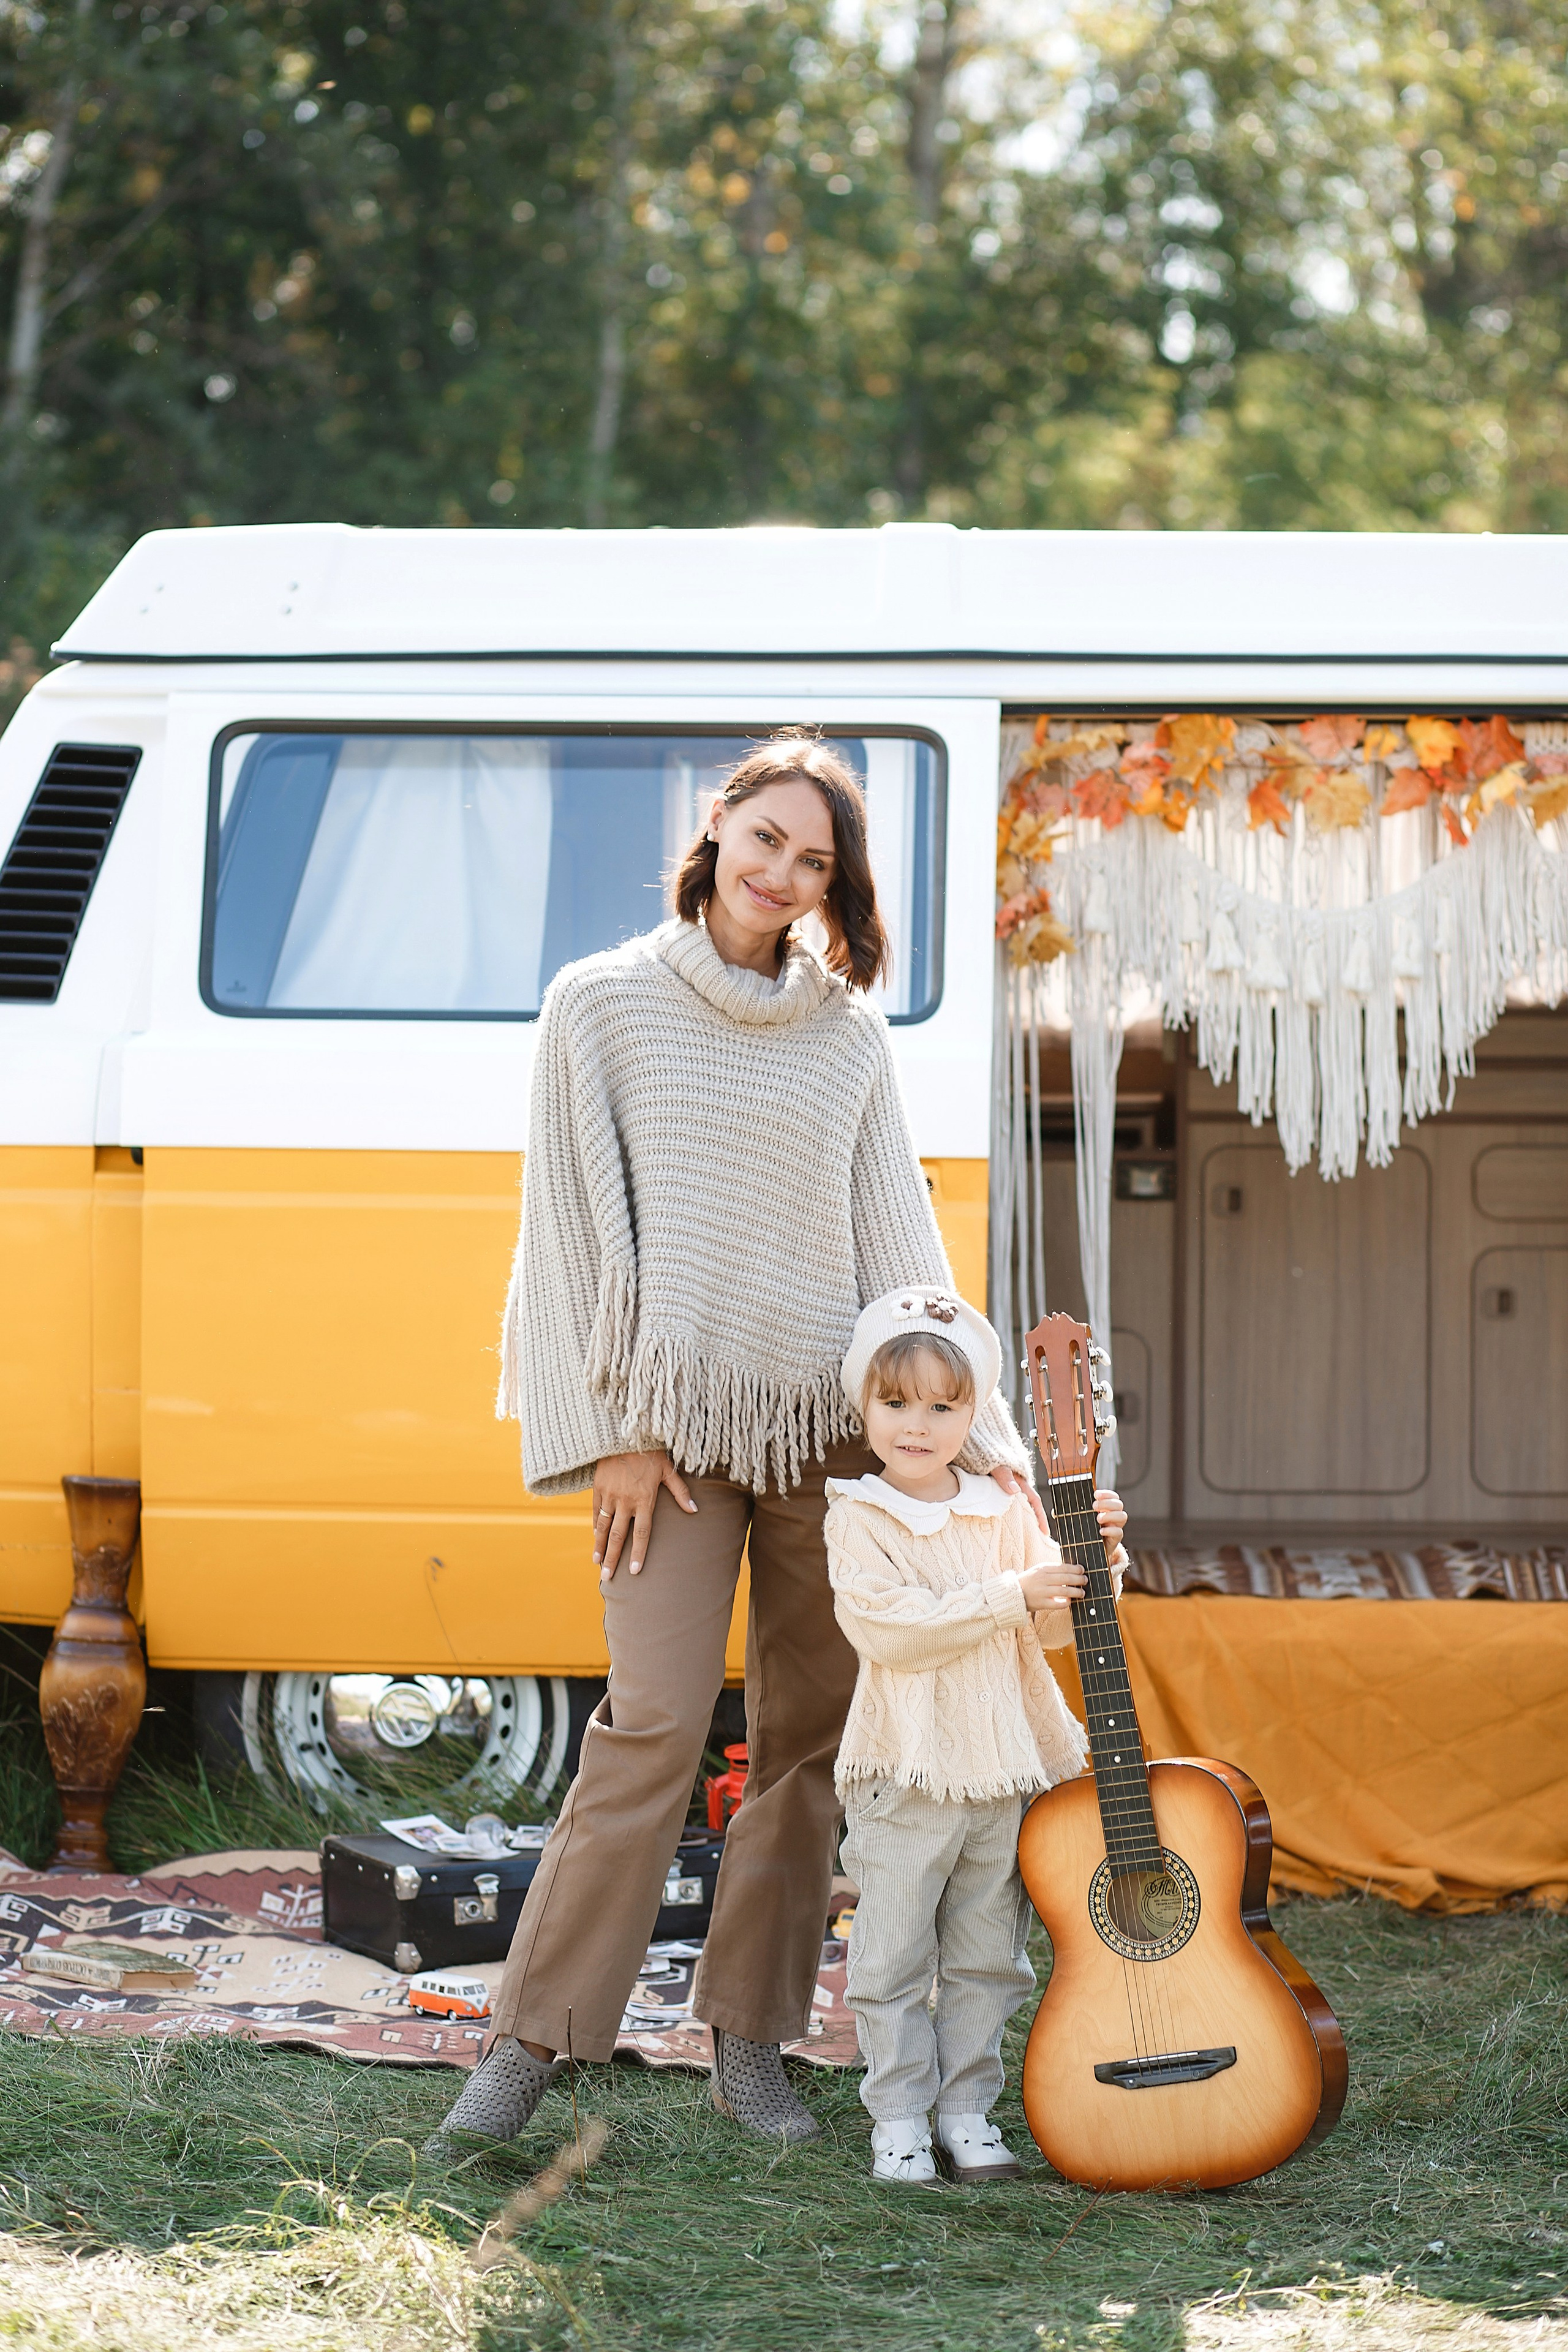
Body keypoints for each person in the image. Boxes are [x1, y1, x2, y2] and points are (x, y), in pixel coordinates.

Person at [427, 729, 1039, 2156]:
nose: (782, 874)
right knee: (648, 1725)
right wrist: (616, 1434)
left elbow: (897, 1246)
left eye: (813, 861)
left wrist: (988, 1441)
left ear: (833, 886)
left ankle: (748, 2044)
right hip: (673, 1436)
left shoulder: (846, 1037)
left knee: (807, 1746)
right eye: (767, 839)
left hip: (834, 1440)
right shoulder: (599, 1006)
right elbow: (569, 1237)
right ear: (717, 828)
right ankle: (528, 2044)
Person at [826, 1288, 1128, 2187]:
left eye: (942, 1407)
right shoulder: (859, 1515)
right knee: (892, 1954)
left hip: (1003, 1768)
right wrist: (1010, 1594)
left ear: (975, 1414)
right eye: (895, 1403)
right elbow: (890, 1630)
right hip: (906, 1772)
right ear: (865, 1405)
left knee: (988, 1957)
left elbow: (1054, 1627)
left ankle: (965, 2114)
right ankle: (898, 2120)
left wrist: (1097, 1561)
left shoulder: (1004, 1507)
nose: (916, 1426)